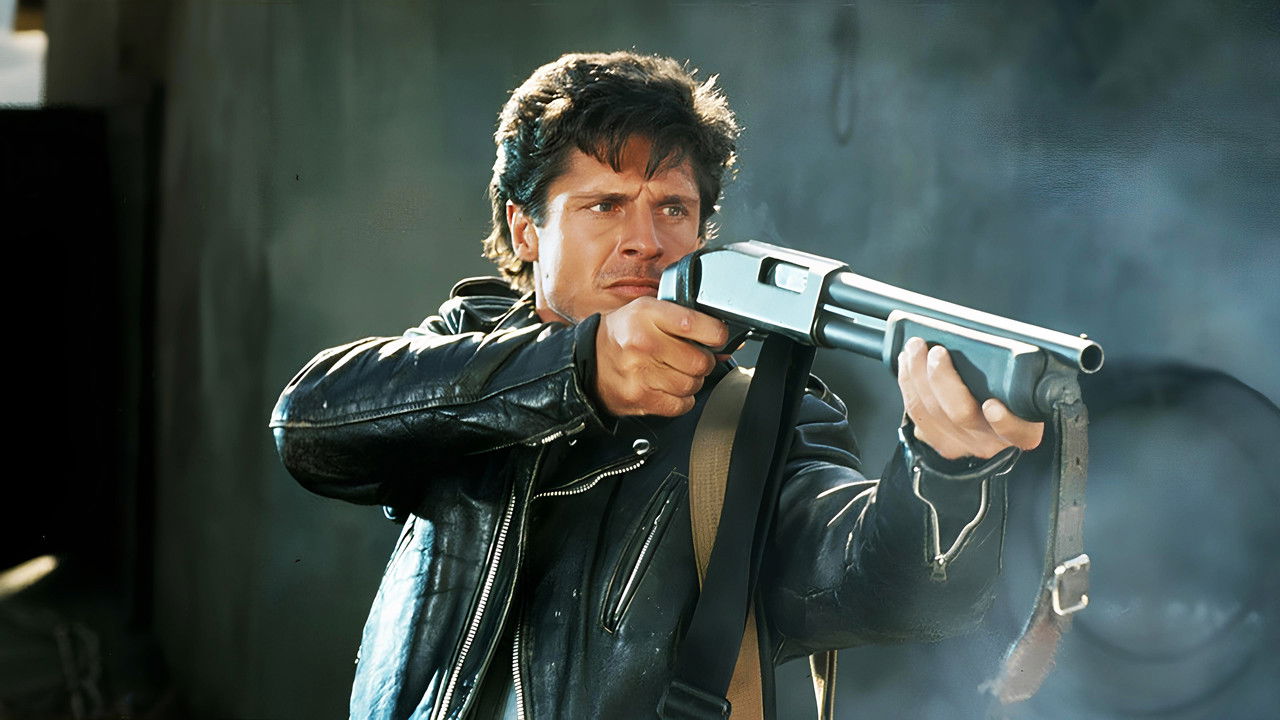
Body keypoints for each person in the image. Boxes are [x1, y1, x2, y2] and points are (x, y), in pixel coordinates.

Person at [270, 51, 1043, 720]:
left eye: (673, 207)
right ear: (525, 228)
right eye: (605, 205)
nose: (645, 241)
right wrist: (580, 371)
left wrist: (948, 467)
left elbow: (883, 586)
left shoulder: (759, 415)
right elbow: (308, 423)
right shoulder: (462, 352)